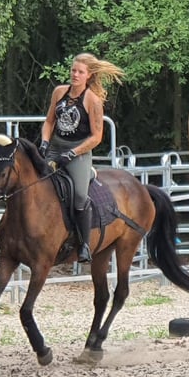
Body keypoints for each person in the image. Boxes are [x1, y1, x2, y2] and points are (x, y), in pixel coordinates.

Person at [39, 53, 124, 263]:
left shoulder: (93, 101)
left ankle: (84, 244)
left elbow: (97, 136)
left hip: (79, 152)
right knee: (34, 181)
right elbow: (49, 122)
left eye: (80, 72)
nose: (75, 75)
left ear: (89, 75)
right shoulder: (59, 92)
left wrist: (73, 153)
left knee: (78, 195)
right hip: (55, 145)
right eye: (73, 70)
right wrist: (44, 142)